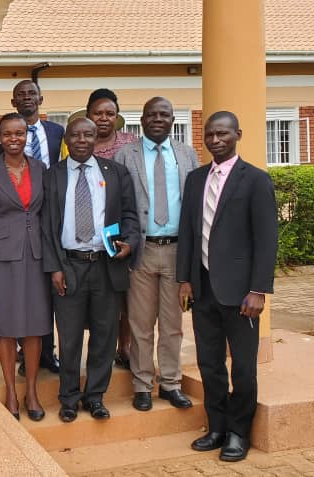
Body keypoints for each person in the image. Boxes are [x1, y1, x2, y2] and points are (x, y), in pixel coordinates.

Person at [178, 111, 278, 462]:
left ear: (237, 134)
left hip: (241, 293)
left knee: (243, 367)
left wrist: (258, 289)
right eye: (209, 134)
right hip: (203, 289)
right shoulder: (194, 180)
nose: (215, 140)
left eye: (222, 133)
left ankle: (238, 432)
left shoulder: (255, 180)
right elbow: (188, 233)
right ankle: (217, 426)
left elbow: (267, 240)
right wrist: (185, 280)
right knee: (209, 363)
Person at [41, 118, 139, 423]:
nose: (82, 139)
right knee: (68, 337)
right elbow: (45, 227)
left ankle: (95, 396)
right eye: (76, 134)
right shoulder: (51, 176)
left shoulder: (116, 173)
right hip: (68, 265)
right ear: (66, 138)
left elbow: (130, 217)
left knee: (104, 335)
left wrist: (131, 243)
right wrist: (54, 267)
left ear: (97, 138)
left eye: (88, 134)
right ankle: (69, 397)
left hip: (106, 265)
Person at [113, 97, 199, 413]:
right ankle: (142, 385)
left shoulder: (186, 154)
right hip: (142, 251)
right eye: (152, 114)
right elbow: (117, 203)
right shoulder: (126, 154)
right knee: (140, 323)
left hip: (178, 251)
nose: (158, 119)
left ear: (173, 120)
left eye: (164, 114)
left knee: (173, 324)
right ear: (143, 119)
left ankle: (171, 384)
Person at [0, 113, 50, 421]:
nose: (14, 139)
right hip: (1, 258)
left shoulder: (41, 169)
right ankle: (10, 391)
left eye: (20, 133)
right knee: (6, 327)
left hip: (37, 256)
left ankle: (31, 390)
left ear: (28, 135)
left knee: (35, 326)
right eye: (8, 134)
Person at [0, 80, 65, 375]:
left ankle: (47, 352)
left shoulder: (58, 133)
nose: (27, 98)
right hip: (15, 222)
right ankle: (25, 352)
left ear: (41, 98)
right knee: (20, 298)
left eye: (31, 94)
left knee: (43, 296)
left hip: (47, 219)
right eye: (20, 95)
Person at [85, 88, 139, 370]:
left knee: (126, 295)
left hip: (123, 230)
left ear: (117, 117)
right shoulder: (80, 143)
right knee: (102, 298)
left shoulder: (131, 144)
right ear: (88, 115)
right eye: (98, 113)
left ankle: (125, 346)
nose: (103, 118)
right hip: (91, 230)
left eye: (109, 113)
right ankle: (102, 348)